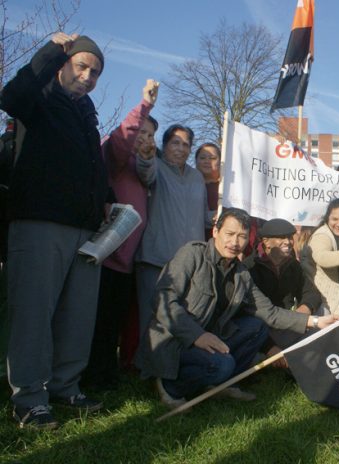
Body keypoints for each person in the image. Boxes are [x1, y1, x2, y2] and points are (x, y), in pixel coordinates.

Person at [0, 33, 109, 428]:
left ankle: (66, 386)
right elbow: (9, 98)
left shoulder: (87, 114)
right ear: (63, 65)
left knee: (76, 316)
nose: (87, 76)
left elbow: (94, 166)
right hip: (40, 222)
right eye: (81, 66)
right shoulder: (39, 96)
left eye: (95, 72)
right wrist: (48, 52)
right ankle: (29, 397)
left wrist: (108, 198)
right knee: (33, 313)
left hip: (84, 229)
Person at [135, 208, 339, 407]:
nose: (235, 242)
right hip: (175, 341)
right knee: (223, 364)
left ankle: (219, 384)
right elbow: (163, 300)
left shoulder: (241, 273)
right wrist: (197, 336)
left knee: (256, 327)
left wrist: (316, 321)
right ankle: (171, 385)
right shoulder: (192, 254)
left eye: (241, 236)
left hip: (212, 336)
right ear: (215, 232)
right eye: (229, 234)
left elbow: (268, 312)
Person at [83, 80, 159, 389]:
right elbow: (120, 141)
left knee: (114, 320)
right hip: (106, 255)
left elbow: (149, 176)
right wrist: (144, 107)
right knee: (98, 321)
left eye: (151, 134)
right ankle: (90, 375)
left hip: (129, 259)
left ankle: (107, 372)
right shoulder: (114, 159)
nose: (145, 137)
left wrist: (147, 156)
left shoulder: (143, 168)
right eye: (142, 131)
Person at [135, 124, 211, 340]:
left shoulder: (197, 177)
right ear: (165, 145)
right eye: (175, 142)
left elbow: (205, 217)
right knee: (153, 317)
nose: (181, 148)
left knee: (183, 317)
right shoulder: (156, 166)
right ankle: (147, 369)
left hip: (190, 263)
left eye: (186, 144)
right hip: (157, 257)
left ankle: (175, 367)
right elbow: (145, 174)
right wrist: (146, 157)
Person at [244, 218, 323, 367]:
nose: (288, 241)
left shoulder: (293, 265)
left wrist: (302, 312)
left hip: (286, 325)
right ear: (266, 241)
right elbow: (251, 315)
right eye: (281, 237)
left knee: (321, 320)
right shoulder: (249, 268)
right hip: (260, 333)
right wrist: (269, 347)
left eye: (289, 237)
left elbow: (312, 293)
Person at [195, 143, 221, 239]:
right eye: (202, 158)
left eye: (213, 158)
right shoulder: (187, 186)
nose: (207, 161)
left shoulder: (228, 187)